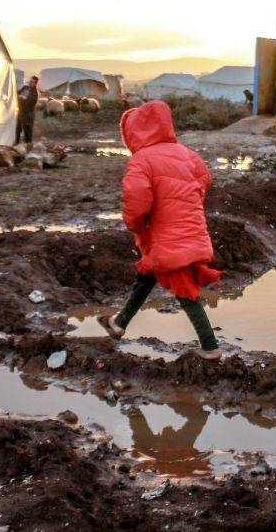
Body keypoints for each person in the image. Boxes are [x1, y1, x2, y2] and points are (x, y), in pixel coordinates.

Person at [99, 100, 222, 359]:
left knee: (184, 289)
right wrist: (187, 204)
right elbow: (205, 179)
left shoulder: (141, 160)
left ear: (133, 132)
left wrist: (135, 226)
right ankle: (119, 323)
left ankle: (210, 348)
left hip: (167, 235)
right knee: (149, 273)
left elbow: (135, 200)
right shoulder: (187, 153)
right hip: (191, 227)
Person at [15, 75, 39, 144]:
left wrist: (20, 97)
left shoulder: (35, 93)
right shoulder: (25, 88)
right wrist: (21, 97)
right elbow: (17, 94)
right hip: (21, 112)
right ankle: (16, 144)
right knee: (18, 129)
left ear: (35, 84)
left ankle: (28, 146)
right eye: (30, 81)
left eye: (32, 82)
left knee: (27, 132)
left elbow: (26, 102)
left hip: (28, 115)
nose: (30, 83)